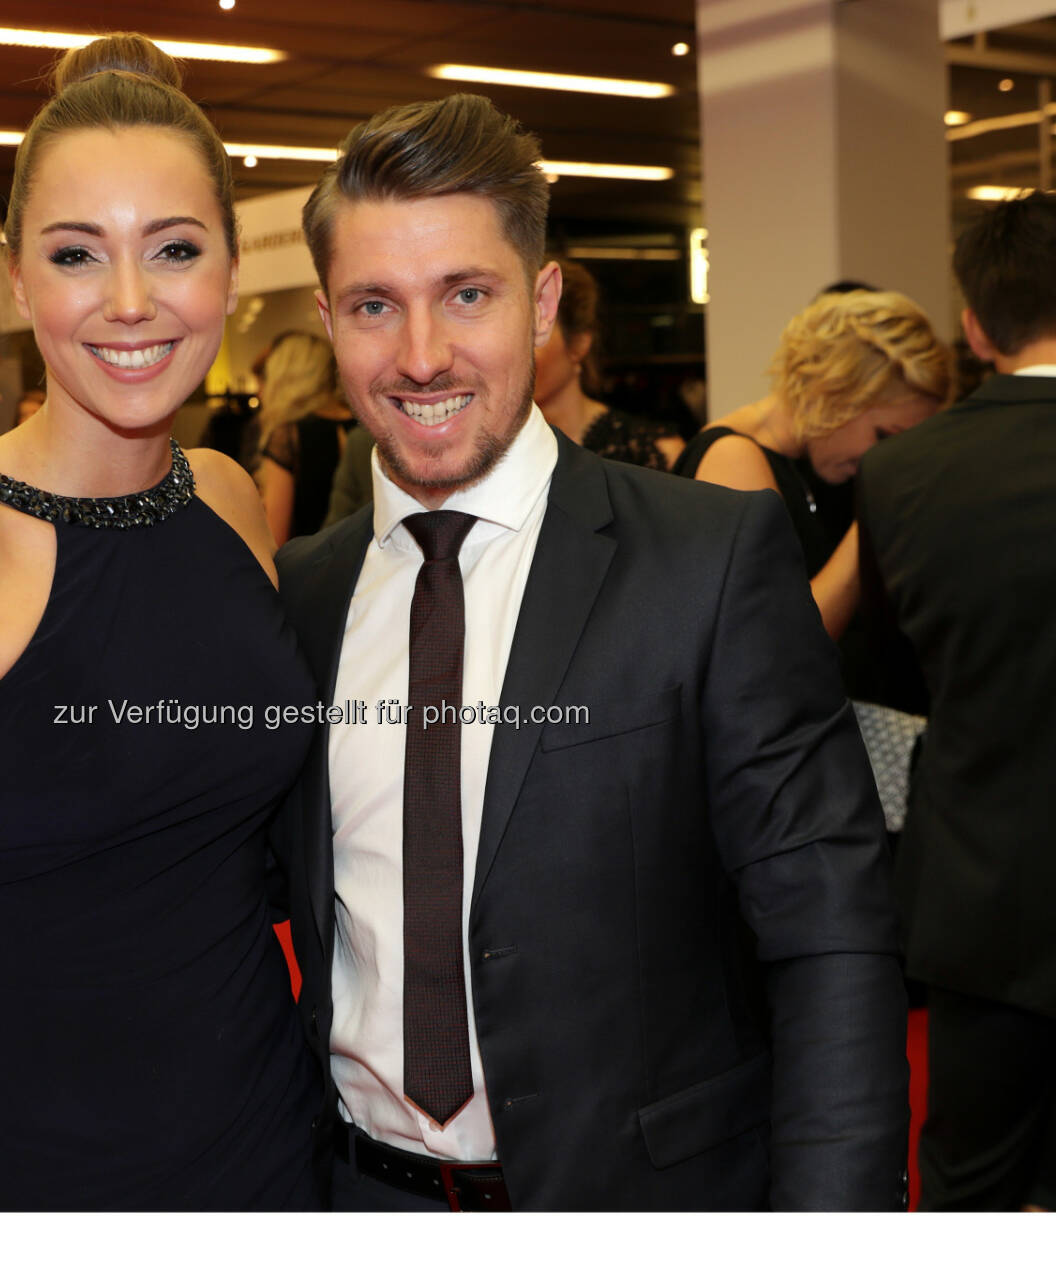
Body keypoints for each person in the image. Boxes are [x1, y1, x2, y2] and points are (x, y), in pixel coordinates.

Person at [274, 92, 910, 1210]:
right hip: (359, 1199)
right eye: (376, 305)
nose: (422, 356)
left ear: (542, 303)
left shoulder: (703, 563)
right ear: (329, 320)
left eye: (467, 295)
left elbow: (829, 936)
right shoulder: (302, 595)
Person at [0, 32, 321, 1212]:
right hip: (44, 1175)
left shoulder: (230, 502)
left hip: (270, 1143)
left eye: (175, 250)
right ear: (17, 277)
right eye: (79, 254)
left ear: (230, 271)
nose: (131, 302)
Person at [859, 190, 1056, 1212]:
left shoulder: (902, 473)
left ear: (974, 327)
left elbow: (890, 656)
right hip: (984, 898)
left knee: (970, 1193)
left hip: (982, 898)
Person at [673, 291, 951, 639]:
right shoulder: (732, 459)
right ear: (835, 393)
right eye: (884, 435)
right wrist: (872, 518)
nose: (884, 456)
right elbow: (782, 639)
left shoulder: (817, 466)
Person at [532, 259, 682, 470]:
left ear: (579, 344)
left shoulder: (653, 452)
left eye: (533, 335)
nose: (518, 353)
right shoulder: (489, 451)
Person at [253, 331, 354, 544]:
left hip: (308, 568)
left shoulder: (289, 434)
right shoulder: (360, 425)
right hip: (359, 564)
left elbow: (274, 539)